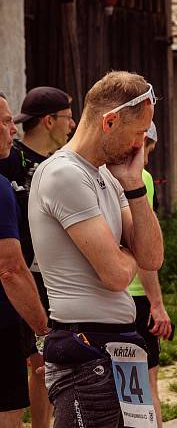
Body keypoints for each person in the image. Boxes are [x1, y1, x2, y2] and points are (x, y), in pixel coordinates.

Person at [29, 72, 164, 428]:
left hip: (119, 347)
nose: (141, 145)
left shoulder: (109, 175)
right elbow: (117, 275)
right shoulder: (64, 174)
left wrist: (134, 185)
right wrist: (126, 252)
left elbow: (152, 257)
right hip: (85, 352)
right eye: (138, 133)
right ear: (110, 121)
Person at [0, 86, 75, 428]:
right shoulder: (10, 160)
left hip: (54, 275)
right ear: (48, 120)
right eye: (68, 117)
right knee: (35, 358)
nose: (72, 124)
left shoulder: (65, 164)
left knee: (48, 359)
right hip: (19, 275)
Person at [0, 92, 50, 428]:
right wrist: (44, 331)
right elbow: (11, 269)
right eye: (5, 122)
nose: (13, 130)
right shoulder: (1, 189)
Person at [127, 122, 172, 428]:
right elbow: (145, 252)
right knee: (146, 384)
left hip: (106, 298)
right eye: (148, 150)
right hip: (136, 295)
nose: (146, 160)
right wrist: (157, 304)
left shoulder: (94, 174)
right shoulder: (140, 178)